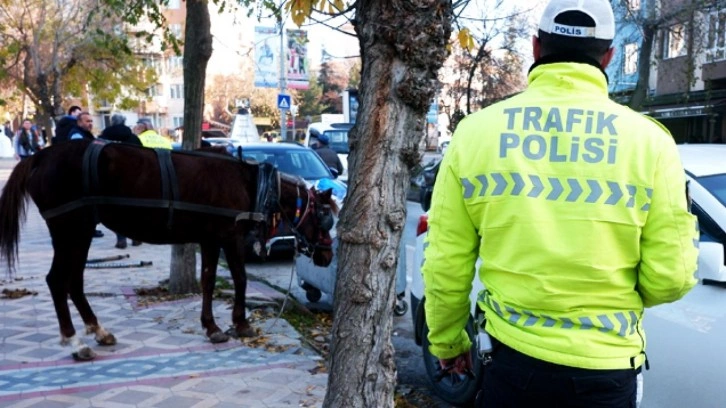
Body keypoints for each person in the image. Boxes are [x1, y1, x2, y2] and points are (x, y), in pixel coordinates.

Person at [421, 1, 700, 407]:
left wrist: (447, 342)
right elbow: (671, 277)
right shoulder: (650, 142)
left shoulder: (475, 133)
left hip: (510, 365)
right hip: (605, 372)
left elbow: (446, 260)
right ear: (608, 55)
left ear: (536, 48)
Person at [99, 114, 143, 249]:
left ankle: (121, 239)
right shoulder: (133, 138)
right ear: (124, 122)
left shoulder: (103, 138)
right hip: (132, 179)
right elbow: (142, 157)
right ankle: (136, 237)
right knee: (134, 209)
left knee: (116, 211)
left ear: (111, 123)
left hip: (111, 179)